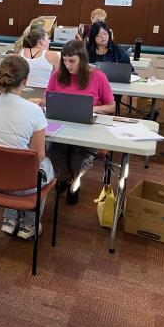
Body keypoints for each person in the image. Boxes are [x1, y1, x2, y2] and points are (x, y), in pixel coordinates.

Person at [0, 55, 55, 239]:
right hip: (20, 183)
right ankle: (29, 224)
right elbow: (38, 155)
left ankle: (10, 219)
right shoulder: (34, 111)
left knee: (9, 160)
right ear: (25, 81)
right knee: (46, 164)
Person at [42, 40, 115, 205]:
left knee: (78, 158)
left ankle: (71, 182)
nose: (67, 65)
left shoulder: (98, 76)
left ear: (82, 59)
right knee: (52, 152)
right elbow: (47, 99)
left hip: (87, 127)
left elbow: (111, 106)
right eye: (64, 60)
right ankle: (68, 179)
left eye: (72, 61)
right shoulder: (57, 75)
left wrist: (91, 109)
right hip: (61, 125)